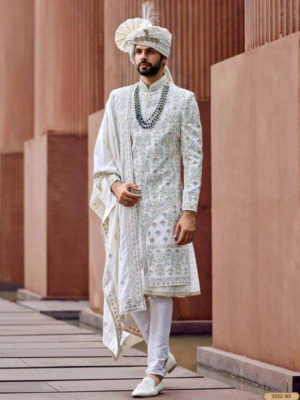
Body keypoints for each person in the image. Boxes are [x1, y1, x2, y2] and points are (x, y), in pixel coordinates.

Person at [89, 2, 203, 397]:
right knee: (124, 288)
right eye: (137, 51)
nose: (142, 57)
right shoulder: (119, 100)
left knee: (159, 288)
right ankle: (162, 354)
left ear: (163, 55)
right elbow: (103, 154)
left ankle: (154, 370)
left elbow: (194, 156)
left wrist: (189, 211)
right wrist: (115, 186)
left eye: (149, 51)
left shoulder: (183, 101)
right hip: (129, 210)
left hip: (167, 208)